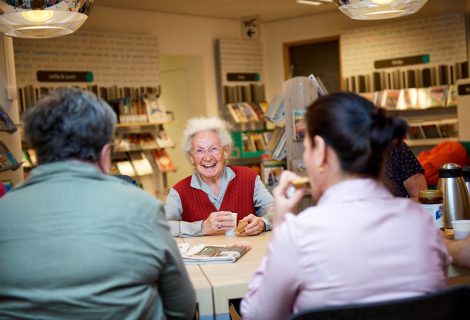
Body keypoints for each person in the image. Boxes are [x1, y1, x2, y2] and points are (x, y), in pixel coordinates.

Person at [240, 92, 450, 320]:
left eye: (307, 147)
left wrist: (281, 227)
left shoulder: (299, 233)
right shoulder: (421, 222)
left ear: (320, 151)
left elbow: (257, 316)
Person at [0, 87, 196, 319]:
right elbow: (181, 307)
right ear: (105, 154)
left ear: (35, 152)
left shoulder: (5, 210)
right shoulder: (141, 207)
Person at [165, 116, 273, 237]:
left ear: (225, 151)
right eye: (199, 151)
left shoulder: (249, 178)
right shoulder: (179, 191)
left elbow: (276, 210)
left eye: (213, 149)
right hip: (203, 256)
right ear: (191, 157)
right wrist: (202, 227)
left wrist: (263, 223)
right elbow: (161, 227)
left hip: (249, 255)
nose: (207, 157)